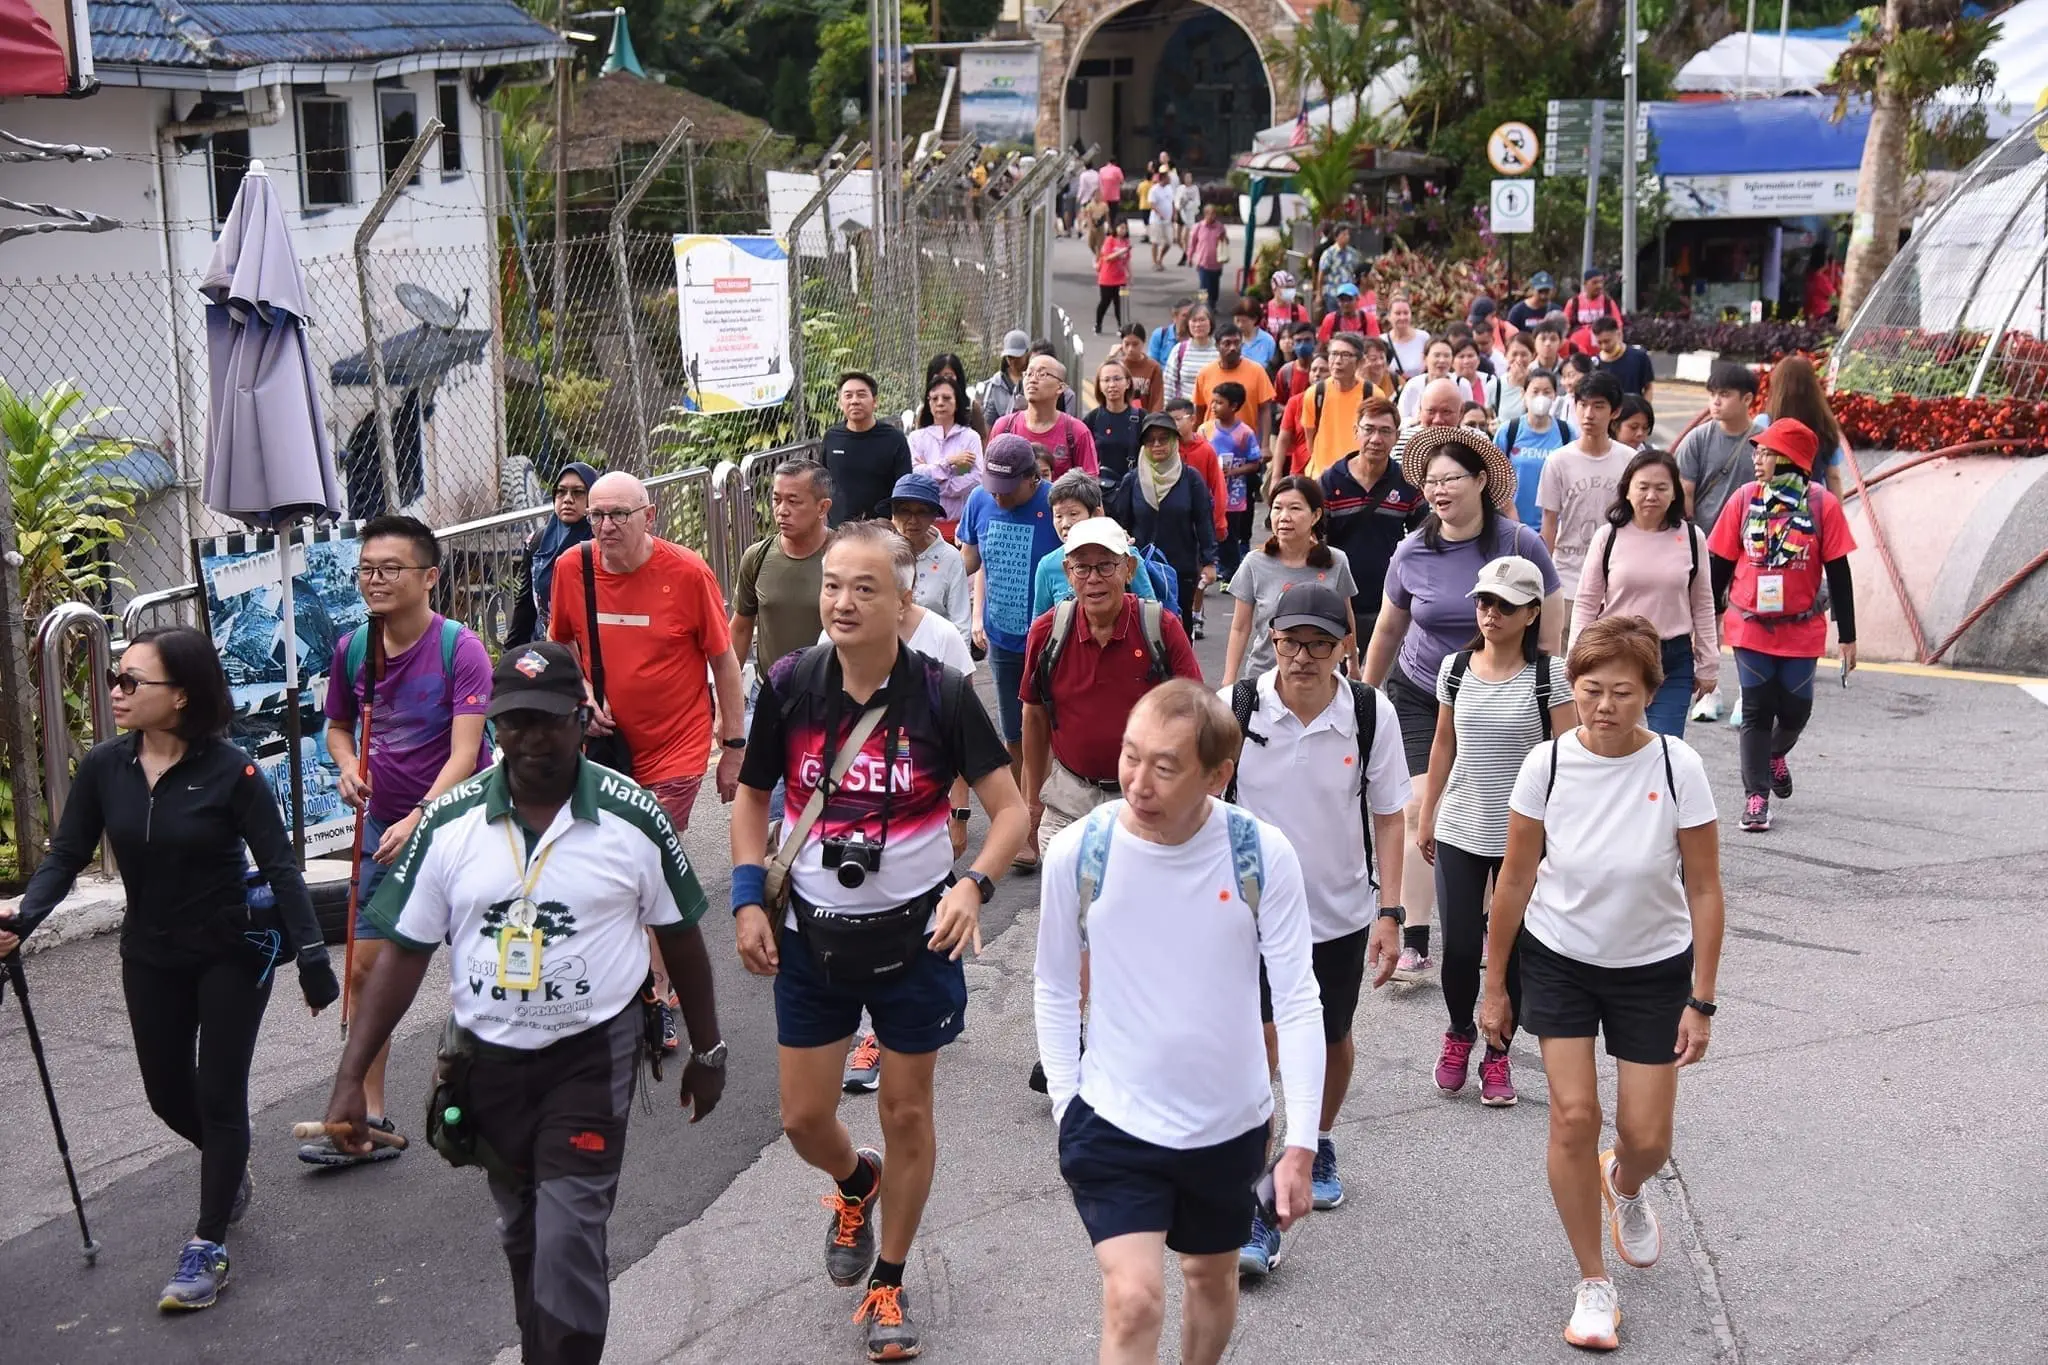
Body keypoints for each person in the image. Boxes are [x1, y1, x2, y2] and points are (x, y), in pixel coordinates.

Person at [325, 640, 726, 1364]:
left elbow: (683, 935)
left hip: (591, 1056)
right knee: (524, 1235)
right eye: (514, 723)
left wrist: (709, 1047)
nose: (532, 739)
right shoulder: (449, 823)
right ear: (495, 727)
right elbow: (403, 954)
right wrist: (351, 1076)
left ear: (583, 719)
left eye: (549, 721)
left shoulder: (632, 817)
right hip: (487, 1062)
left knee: (569, 1237)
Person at [732, 522, 1027, 1362]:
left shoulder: (939, 692)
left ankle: (888, 1281)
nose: (843, 601)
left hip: (916, 943)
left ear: (905, 602)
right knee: (801, 1116)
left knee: (905, 1109)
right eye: (832, 585)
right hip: (812, 940)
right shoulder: (791, 685)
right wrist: (749, 899)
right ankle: (854, 1182)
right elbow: (752, 803)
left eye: (865, 588)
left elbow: (1010, 811)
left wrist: (974, 883)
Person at [2, 628, 336, 1311]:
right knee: (164, 1092)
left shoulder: (234, 771)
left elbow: (278, 864)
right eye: (116, 678)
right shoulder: (105, 767)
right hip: (150, 952)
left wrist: (310, 957)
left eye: (131, 681)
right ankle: (227, 1163)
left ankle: (208, 1242)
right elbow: (65, 857)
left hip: (232, 951)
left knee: (219, 1094)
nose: (115, 691)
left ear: (180, 695)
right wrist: (22, 919)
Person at [1035, 682, 1323, 1365]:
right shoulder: (1080, 850)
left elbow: (1298, 998)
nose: (1137, 780)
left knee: (1209, 1278)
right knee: (1134, 1299)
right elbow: (1052, 982)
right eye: (1131, 756)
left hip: (1228, 1124)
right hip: (1111, 1118)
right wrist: (1067, 1104)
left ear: (1218, 776)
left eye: (1165, 767)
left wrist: (1302, 1142)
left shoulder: (1261, 855)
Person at [1478, 615, 1725, 1354]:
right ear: (1573, 689)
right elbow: (1515, 878)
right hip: (1560, 958)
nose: (1605, 705)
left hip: (1654, 965)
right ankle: (1594, 1281)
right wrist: (1495, 986)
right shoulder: (1546, 764)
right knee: (1573, 1115)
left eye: (1623, 691)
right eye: (1591, 690)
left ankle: (1625, 1181)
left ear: (1651, 691)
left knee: (1647, 1136)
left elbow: (1706, 887)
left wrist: (1701, 999)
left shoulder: (1679, 766)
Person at [1220, 582, 1406, 1259]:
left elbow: (1390, 815)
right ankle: (1259, 1199)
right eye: (1290, 641)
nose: (1302, 656)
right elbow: (1203, 808)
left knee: (1332, 1037)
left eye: (1317, 644)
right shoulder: (1236, 709)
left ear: (1341, 649)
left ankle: (1318, 1136)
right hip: (1248, 916)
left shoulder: (1368, 711)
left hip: (1338, 910)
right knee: (1262, 1049)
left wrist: (1391, 911)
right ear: (1271, 641)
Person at [310, 513, 493, 1165]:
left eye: (391, 569)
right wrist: (347, 766)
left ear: (429, 577)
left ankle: (491, 1094)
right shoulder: (353, 649)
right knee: (364, 968)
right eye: (367, 569)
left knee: (482, 969)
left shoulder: (459, 649)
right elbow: (336, 727)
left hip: (461, 828)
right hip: (383, 829)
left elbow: (465, 756)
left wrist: (419, 814)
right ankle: (367, 1114)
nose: (375, 580)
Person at [1364, 425, 1561, 980]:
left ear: (1481, 480)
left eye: (1452, 478)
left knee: (1499, 813)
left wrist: (1545, 692)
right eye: (1430, 481)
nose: (1440, 489)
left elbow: (1549, 629)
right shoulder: (1412, 549)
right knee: (1421, 803)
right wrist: (1362, 695)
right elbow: (1387, 629)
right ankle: (1417, 935)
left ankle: (1488, 926)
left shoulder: (1520, 544)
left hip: (1505, 694)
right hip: (1424, 689)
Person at [1416, 557, 1575, 1109]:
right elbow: (1442, 743)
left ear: (1532, 613)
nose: (1491, 614)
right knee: (1460, 947)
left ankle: (1498, 1052)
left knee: (1514, 950)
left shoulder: (1549, 677)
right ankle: (1460, 1032)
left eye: (1506, 605)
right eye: (1484, 602)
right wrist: (1427, 810)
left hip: (1525, 837)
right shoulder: (1455, 669)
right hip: (1462, 823)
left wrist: (1567, 832)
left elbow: (1568, 758)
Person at [550, 470, 748, 831]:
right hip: (605, 746)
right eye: (597, 515)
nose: (606, 525)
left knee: (647, 845)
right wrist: (583, 693)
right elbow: (560, 641)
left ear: (649, 516)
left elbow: (722, 659)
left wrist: (733, 746)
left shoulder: (688, 572)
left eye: (620, 514)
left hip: (676, 748)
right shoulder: (571, 568)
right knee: (608, 855)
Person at [1705, 418, 1858, 833]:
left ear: (1790, 459)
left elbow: (1839, 570)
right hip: (1749, 625)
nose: (1758, 459)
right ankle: (1756, 797)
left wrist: (1848, 635)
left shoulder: (1822, 505)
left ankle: (1776, 755)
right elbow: (1718, 563)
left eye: (1767, 452)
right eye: (1757, 451)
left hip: (1802, 627)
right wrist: (1706, 619)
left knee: (1795, 710)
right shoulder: (1743, 499)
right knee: (1755, 710)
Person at [1023, 515, 1202, 862]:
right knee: (1073, 906)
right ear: (1067, 571)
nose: (1093, 579)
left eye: (1106, 566)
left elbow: (1194, 714)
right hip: (1068, 801)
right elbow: (1033, 715)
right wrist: (1031, 801)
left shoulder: (1161, 627)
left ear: (1129, 568)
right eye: (1082, 568)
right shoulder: (1047, 633)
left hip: (1146, 797)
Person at [961, 435, 1065, 854]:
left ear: (1033, 479)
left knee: (1054, 728)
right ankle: (1025, 823)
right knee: (1015, 733)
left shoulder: (1056, 503)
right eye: (993, 489)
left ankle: (1049, 814)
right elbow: (969, 561)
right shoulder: (978, 500)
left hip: (1052, 638)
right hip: (1002, 639)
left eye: (1008, 492)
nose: (998, 500)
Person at [1575, 449, 1718, 738]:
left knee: (1665, 743)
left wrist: (1709, 663)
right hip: (1615, 653)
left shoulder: (1692, 538)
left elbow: (1702, 604)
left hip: (1672, 656)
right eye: (1643, 487)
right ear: (1627, 490)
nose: (1651, 495)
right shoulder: (1609, 536)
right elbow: (1587, 602)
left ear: (1674, 493)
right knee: (1610, 739)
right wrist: (1576, 660)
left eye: (1661, 487)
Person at [1674, 361, 1758, 725]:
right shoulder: (1698, 439)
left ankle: (1748, 696)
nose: (1715, 402)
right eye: (1712, 395)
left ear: (1748, 399)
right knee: (1708, 621)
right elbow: (1686, 494)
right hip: (1708, 547)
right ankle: (1710, 692)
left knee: (1747, 621)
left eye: (1724, 395)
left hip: (1754, 548)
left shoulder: (1761, 441)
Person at [1222, 476, 1357, 685]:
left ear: (1315, 516)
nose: (1284, 517)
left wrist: (1353, 665)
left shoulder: (1336, 561)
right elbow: (1240, 627)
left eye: (1295, 508)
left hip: (1321, 678)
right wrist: (1229, 681)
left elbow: (1347, 620)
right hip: (1265, 678)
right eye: (1277, 508)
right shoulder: (1254, 563)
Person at [1320, 395, 1424, 656]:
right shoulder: (1330, 481)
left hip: (1389, 604)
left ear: (1396, 436)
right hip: (1337, 603)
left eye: (1385, 431)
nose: (1376, 439)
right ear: (1356, 431)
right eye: (1369, 429)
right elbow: (1315, 543)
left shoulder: (1407, 484)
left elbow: (1423, 539)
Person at [1538, 369, 1629, 647]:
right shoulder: (1558, 461)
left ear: (1615, 412)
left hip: (1615, 578)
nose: (1589, 414)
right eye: (1583, 404)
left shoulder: (1630, 461)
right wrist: (1544, 581)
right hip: (1566, 576)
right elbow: (1549, 523)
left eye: (1598, 406)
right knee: (1564, 661)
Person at [732, 459, 833, 689]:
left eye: (793, 501)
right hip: (768, 692)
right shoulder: (756, 557)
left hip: (828, 694)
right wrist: (726, 695)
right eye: (776, 499)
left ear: (822, 507)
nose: (781, 510)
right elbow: (740, 627)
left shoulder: (844, 556)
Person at [1112, 411, 1219, 623]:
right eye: (1150, 440)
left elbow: (1204, 522)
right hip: (1141, 570)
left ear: (1175, 441)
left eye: (1164, 439)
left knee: (1180, 627)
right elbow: (1121, 526)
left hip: (1182, 569)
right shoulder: (1132, 481)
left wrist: (1209, 562)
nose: (1157, 445)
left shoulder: (1191, 479)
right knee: (1142, 629)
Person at [1033, 470, 1162, 616]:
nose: (1065, 524)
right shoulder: (1047, 565)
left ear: (1096, 514)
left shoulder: (1125, 553)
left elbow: (1149, 609)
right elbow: (1039, 625)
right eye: (1058, 516)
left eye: (1073, 514)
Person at [506, 461, 599, 647]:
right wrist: (510, 655)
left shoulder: (603, 541)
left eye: (578, 492)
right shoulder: (538, 542)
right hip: (547, 648)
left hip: (593, 648)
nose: (568, 499)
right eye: (561, 491)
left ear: (593, 498)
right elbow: (525, 607)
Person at [889, 474, 973, 642]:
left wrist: (958, 666)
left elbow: (960, 622)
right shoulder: (879, 552)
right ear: (893, 514)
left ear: (934, 516)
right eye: (905, 510)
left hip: (933, 657)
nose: (913, 520)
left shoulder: (950, 558)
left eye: (922, 512)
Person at [822, 372, 914, 525]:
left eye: (861, 395)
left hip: (881, 532)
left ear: (875, 401)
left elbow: (904, 487)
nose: (855, 401)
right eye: (848, 396)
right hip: (839, 533)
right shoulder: (831, 437)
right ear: (840, 403)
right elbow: (822, 483)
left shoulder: (894, 439)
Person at [992, 355, 1098, 480]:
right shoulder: (1004, 427)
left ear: (1060, 387)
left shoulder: (1077, 431)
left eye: (1042, 374)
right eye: (1029, 373)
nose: (1032, 379)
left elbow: (1090, 486)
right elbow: (991, 479)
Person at [1763, 354, 1849, 499]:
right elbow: (1832, 476)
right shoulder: (1825, 425)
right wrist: (1837, 517)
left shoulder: (1764, 423)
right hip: (1812, 506)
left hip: (1773, 508)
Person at [1496, 369, 1575, 527]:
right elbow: (1495, 476)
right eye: (1535, 392)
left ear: (1554, 396)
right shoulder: (1508, 431)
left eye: (1547, 392)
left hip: (1554, 526)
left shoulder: (1567, 433)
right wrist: (1509, 515)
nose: (1541, 397)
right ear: (1523, 394)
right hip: (1513, 523)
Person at [1202, 382, 1264, 579]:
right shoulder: (1206, 430)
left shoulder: (1244, 433)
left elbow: (1254, 463)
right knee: (1210, 530)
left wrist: (1232, 471)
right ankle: (1217, 565)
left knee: (1230, 533)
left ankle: (1232, 572)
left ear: (1234, 406)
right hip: (1210, 492)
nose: (1213, 406)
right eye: (1213, 402)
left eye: (1219, 402)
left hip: (1235, 496)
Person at [908, 374, 983, 530]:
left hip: (960, 523)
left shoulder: (970, 437)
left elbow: (977, 478)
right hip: (923, 524)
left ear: (957, 402)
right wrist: (950, 462)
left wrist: (937, 483)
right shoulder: (916, 438)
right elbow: (914, 476)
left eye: (946, 398)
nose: (940, 403)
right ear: (928, 403)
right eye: (934, 399)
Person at [1297, 331, 1369, 480]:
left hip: (1357, 478)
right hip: (1321, 476)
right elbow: (1310, 440)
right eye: (1334, 354)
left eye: (1345, 355)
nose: (1337, 361)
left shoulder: (1371, 394)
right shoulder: (1315, 393)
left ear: (1360, 362)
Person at [1193, 324, 1277, 445]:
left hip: (1246, 443)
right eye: (1227, 343)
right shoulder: (1204, 373)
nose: (1233, 348)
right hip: (1211, 444)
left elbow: (1265, 409)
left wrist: (1265, 445)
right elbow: (1200, 411)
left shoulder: (1257, 370)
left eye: (1237, 343)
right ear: (1217, 346)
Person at [1087, 357, 1146, 487]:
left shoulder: (1142, 418)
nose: (1112, 385)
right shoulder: (1091, 419)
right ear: (1099, 385)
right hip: (1100, 492)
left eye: (1117, 379)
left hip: (1133, 491)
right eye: (1106, 380)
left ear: (1128, 383)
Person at [1163, 304, 1220, 405]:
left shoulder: (1220, 351)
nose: (1198, 325)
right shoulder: (1179, 350)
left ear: (1211, 322)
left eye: (1202, 320)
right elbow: (1168, 385)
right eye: (1194, 321)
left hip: (1213, 411)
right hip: (1185, 413)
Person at [1588, 317, 1655, 401]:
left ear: (1619, 334)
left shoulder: (1639, 357)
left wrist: (1644, 410)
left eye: (1607, 341)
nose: (1604, 346)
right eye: (1599, 342)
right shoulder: (1594, 363)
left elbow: (1648, 388)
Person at [1397, 339, 1456, 424]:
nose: (1442, 360)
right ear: (1424, 358)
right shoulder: (1413, 384)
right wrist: (1416, 420)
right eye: (1437, 355)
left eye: (1447, 356)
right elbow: (1400, 419)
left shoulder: (1461, 384)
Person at [981, 330, 1033, 423]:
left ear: (1028, 353)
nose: (1013, 361)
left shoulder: (1035, 380)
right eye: (1010, 357)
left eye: (1018, 357)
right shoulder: (996, 383)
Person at [1114, 324, 1164, 414]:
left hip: (1145, 420)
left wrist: (1153, 422)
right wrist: (1110, 357)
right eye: (1127, 344)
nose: (1130, 349)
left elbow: (1157, 400)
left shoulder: (1153, 367)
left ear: (1143, 343)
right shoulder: (1117, 366)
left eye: (1135, 344)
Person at [1315, 224, 1363, 314]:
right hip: (1333, 293)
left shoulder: (1353, 253)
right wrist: (1319, 294)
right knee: (1335, 319)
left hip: (1349, 294)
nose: (1347, 237)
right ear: (1336, 237)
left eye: (1348, 234)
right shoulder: (1329, 253)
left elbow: (1358, 270)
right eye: (1343, 234)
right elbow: (1321, 273)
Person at [1189, 204, 1229, 310]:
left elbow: (1226, 242)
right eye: (1210, 214)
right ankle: (1203, 306)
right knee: (1203, 287)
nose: (1212, 216)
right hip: (1203, 262)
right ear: (1205, 214)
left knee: (1214, 286)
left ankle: (1212, 304)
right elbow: (1192, 243)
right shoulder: (1198, 227)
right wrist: (1189, 257)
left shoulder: (1220, 227)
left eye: (1214, 214)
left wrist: (1223, 237)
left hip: (1216, 263)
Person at [1561, 267, 1624, 333]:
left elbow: (1618, 326)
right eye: (1595, 282)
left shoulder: (1608, 302)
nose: (1599, 286)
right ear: (1585, 284)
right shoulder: (1574, 303)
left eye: (1601, 282)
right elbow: (1564, 327)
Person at [1096, 222, 1133, 333]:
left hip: (1120, 279)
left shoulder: (1126, 242)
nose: (1123, 230)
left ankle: (1121, 327)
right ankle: (1098, 324)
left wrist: (1130, 275)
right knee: (1105, 302)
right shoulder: (1110, 240)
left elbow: (1127, 261)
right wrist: (1121, 251)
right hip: (1107, 278)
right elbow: (1107, 258)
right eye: (1121, 227)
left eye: (1125, 228)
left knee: (1120, 303)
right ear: (1116, 228)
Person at [1383, 294, 1430, 379]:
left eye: (1406, 313)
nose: (1402, 317)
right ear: (1389, 316)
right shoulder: (1382, 341)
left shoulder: (1423, 337)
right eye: (1398, 313)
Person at [1493, 334, 1536, 426]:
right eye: (1514, 354)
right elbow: (1489, 415)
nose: (1518, 359)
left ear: (1532, 356)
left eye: (1524, 354)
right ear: (1506, 355)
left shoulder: (1539, 383)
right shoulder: (1495, 385)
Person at [1451, 338, 1502, 412]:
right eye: (1461, 357)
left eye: (1470, 356)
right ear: (1452, 362)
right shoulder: (1449, 383)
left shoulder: (1490, 380)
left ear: (1478, 359)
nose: (1466, 361)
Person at [1231, 297, 1278, 370]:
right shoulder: (1230, 338)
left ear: (1255, 319)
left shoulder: (1267, 341)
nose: (1240, 325)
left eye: (1244, 321)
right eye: (1237, 320)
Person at [1262, 271, 1311, 340]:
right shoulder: (1263, 310)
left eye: (1292, 287)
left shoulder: (1299, 311)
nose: (1289, 291)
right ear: (1274, 289)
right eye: (1286, 287)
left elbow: (1307, 334)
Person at [1147, 298, 1193, 368]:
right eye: (1185, 316)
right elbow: (1151, 366)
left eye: (1192, 315)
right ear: (1174, 316)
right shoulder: (1160, 335)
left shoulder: (1196, 339)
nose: (1189, 319)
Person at [1357, 335, 1400, 401]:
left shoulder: (1395, 380)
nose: (1379, 363)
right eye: (1373, 359)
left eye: (1382, 357)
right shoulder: (1353, 383)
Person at [1148, 174, 1177, 270]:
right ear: (1162, 179)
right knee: (1155, 241)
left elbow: (1172, 202)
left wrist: (1174, 213)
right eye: (1168, 178)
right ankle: (1155, 262)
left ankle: (1160, 259)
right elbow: (1152, 204)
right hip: (1156, 220)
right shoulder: (1154, 189)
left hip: (1167, 221)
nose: (1169, 180)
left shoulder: (1169, 188)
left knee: (1169, 241)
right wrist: (1159, 213)